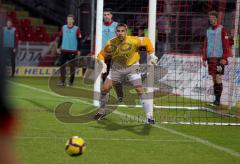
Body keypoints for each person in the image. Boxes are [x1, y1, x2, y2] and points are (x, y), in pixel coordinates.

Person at [94, 23, 158, 124]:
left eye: (122, 31)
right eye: (118, 31)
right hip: (117, 68)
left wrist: (152, 55)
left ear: (126, 31)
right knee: (105, 88)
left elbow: (146, 41)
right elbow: (101, 54)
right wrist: (103, 64)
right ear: (116, 32)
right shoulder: (111, 43)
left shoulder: (134, 40)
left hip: (132, 67)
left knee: (139, 89)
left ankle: (149, 116)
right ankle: (102, 111)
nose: (120, 33)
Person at [202, 11, 231, 106]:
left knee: (218, 77)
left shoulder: (222, 29)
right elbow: (205, 45)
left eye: (213, 18)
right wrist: (204, 58)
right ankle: (216, 100)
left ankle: (218, 100)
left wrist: (224, 57)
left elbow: (226, 44)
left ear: (216, 18)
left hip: (219, 58)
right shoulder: (208, 30)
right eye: (210, 18)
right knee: (214, 79)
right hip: (211, 59)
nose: (211, 20)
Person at [102, 8, 124, 103]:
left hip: (115, 54)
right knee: (104, 74)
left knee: (116, 75)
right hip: (104, 54)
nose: (106, 16)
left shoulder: (116, 26)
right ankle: (106, 94)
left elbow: (123, 37)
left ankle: (120, 95)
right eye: (104, 14)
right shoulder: (100, 26)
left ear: (111, 15)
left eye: (107, 14)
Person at [57, 14, 81, 86]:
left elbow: (79, 40)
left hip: (73, 51)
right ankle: (62, 81)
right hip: (64, 50)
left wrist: (79, 50)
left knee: (72, 67)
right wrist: (58, 47)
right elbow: (60, 38)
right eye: (68, 19)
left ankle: (71, 82)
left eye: (71, 19)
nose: (69, 21)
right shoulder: (63, 27)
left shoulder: (77, 29)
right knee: (62, 66)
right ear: (67, 20)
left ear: (73, 21)